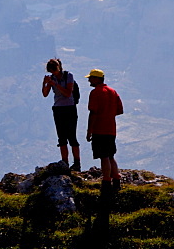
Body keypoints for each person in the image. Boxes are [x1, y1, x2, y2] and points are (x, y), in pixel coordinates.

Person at [85, 69, 124, 198]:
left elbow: (93, 112)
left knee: (104, 156)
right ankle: (116, 179)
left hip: (99, 129)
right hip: (111, 129)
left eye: (91, 78)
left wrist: (89, 131)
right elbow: (119, 110)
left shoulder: (95, 92)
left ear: (97, 79)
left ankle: (106, 181)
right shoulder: (113, 92)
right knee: (111, 155)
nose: (89, 80)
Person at [42, 58, 81, 171]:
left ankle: (77, 163)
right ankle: (65, 163)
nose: (53, 72)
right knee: (62, 138)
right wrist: (45, 83)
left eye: (54, 69)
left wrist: (55, 84)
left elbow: (68, 93)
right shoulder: (52, 78)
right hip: (58, 108)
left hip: (69, 108)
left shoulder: (68, 76)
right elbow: (45, 94)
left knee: (72, 137)